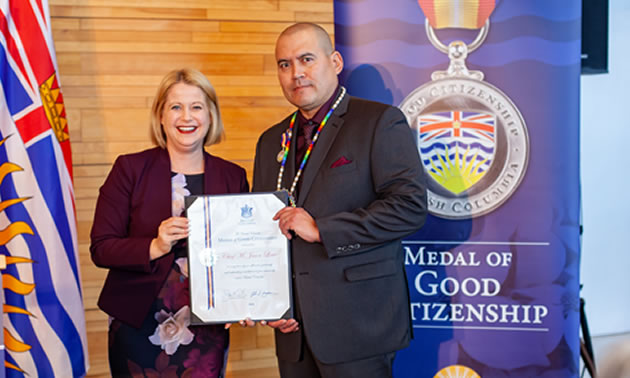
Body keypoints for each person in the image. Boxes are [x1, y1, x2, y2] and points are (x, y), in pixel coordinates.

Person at [251, 23, 428, 377]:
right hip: (293, 331)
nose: (296, 73)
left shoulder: (379, 122)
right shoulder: (271, 140)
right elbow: (264, 230)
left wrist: (323, 229)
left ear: (334, 61)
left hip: (358, 325)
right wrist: (267, 300)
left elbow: (409, 207)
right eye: (284, 64)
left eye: (306, 59)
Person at [90, 68, 249, 377]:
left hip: (207, 324)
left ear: (211, 115)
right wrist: (155, 245)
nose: (186, 117)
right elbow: (102, 248)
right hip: (138, 323)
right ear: (161, 116)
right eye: (176, 106)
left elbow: (241, 250)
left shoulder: (233, 176)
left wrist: (241, 299)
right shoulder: (129, 169)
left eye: (197, 106)